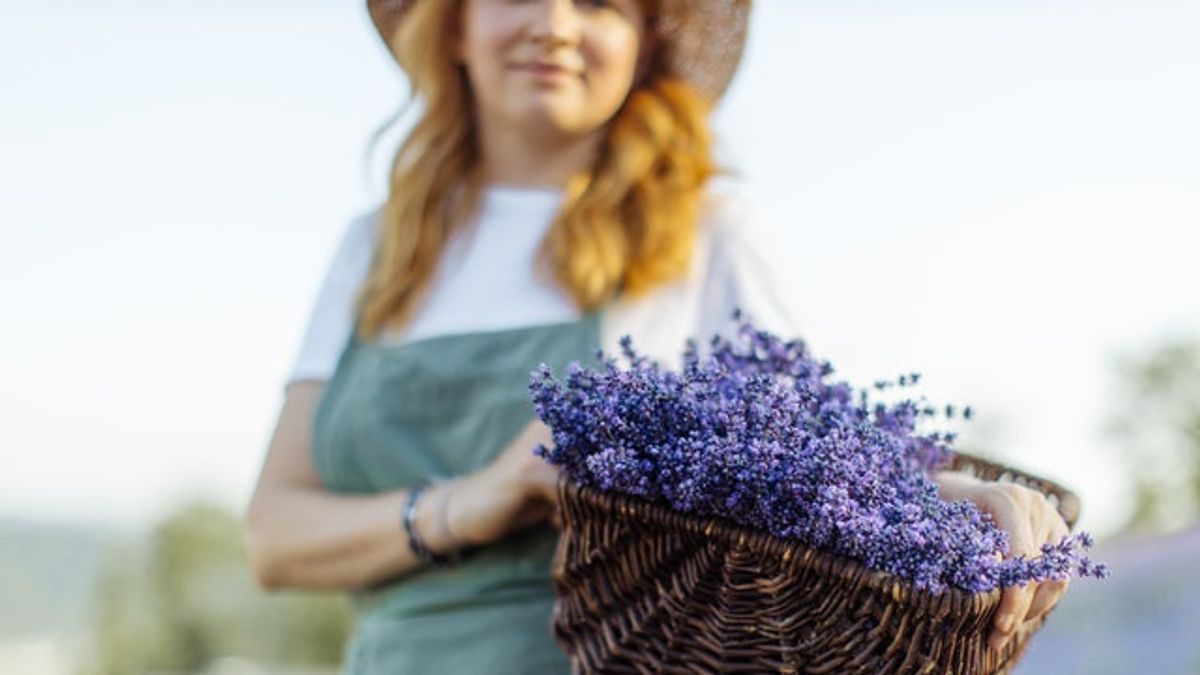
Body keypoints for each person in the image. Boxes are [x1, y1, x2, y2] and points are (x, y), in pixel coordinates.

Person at [245, 0, 1070, 671]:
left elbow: (810, 461)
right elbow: (274, 537)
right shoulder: (378, 247)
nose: (556, 24)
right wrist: (476, 500)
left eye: (600, 3)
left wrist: (958, 503)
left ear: (646, 39)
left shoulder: (704, 234)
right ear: (453, 21)